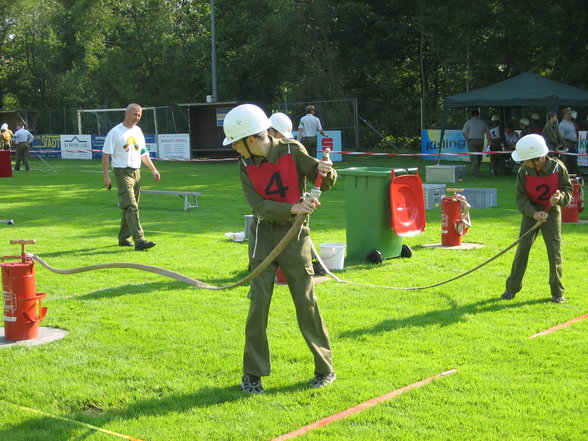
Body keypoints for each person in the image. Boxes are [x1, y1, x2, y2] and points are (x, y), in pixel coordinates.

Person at [222, 103, 336, 394]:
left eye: (236, 143)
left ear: (250, 138)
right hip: (263, 236)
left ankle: (325, 368)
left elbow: (323, 178)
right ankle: (252, 373)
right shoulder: (244, 164)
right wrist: (292, 207)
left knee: (306, 302)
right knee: (258, 304)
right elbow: (258, 205)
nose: (234, 149)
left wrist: (326, 170)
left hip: (296, 236)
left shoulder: (291, 150)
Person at [501, 134, 572, 303]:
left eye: (525, 159)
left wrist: (559, 197)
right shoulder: (523, 172)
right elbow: (521, 198)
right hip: (531, 213)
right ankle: (511, 289)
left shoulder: (558, 168)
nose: (522, 162)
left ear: (537, 158)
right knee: (522, 249)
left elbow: (568, 192)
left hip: (552, 212)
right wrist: (533, 213)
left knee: (554, 252)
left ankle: (557, 293)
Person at [102, 103, 160, 251]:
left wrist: (153, 170)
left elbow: (144, 153)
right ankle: (140, 240)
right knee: (131, 206)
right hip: (122, 172)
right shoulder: (115, 132)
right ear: (126, 113)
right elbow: (106, 155)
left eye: (139, 115)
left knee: (130, 207)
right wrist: (106, 177)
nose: (137, 117)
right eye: (135, 114)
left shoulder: (138, 131)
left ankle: (123, 238)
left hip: (137, 172)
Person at [462, 109, 490, 177]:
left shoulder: (468, 122)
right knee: (479, 156)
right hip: (480, 140)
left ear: (471, 115)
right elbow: (487, 133)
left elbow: (465, 133)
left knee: (474, 157)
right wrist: (489, 141)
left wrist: (467, 139)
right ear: (478, 114)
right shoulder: (483, 122)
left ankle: (476, 172)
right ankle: (477, 169)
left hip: (471, 141)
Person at [558, 107, 578, 175]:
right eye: (568, 114)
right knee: (566, 161)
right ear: (564, 115)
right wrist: (563, 147)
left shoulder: (571, 123)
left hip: (573, 144)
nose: (570, 115)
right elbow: (561, 137)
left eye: (570, 114)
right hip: (567, 143)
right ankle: (566, 176)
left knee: (573, 161)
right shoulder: (562, 125)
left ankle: (574, 176)